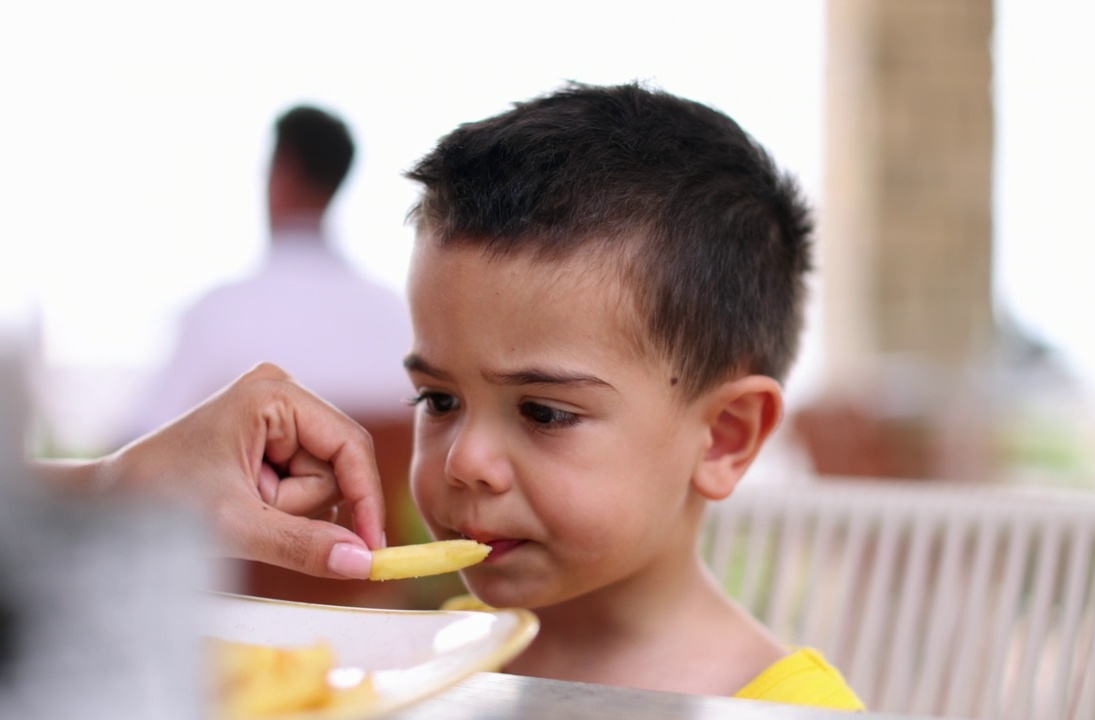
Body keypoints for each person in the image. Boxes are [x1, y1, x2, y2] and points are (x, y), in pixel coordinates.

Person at [398, 82, 863, 710]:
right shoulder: (432, 659)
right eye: (439, 400)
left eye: (544, 412)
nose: (465, 462)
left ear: (726, 435)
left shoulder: (786, 710)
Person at [127, 105, 411, 438]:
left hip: (238, 491)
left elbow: (141, 440)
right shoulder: (396, 317)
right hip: (373, 491)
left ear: (283, 171)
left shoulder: (219, 313)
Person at [37, 363, 385, 579]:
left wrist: (111, 479)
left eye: (440, 401)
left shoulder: (212, 309)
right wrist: (121, 485)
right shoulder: (382, 309)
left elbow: (133, 429)